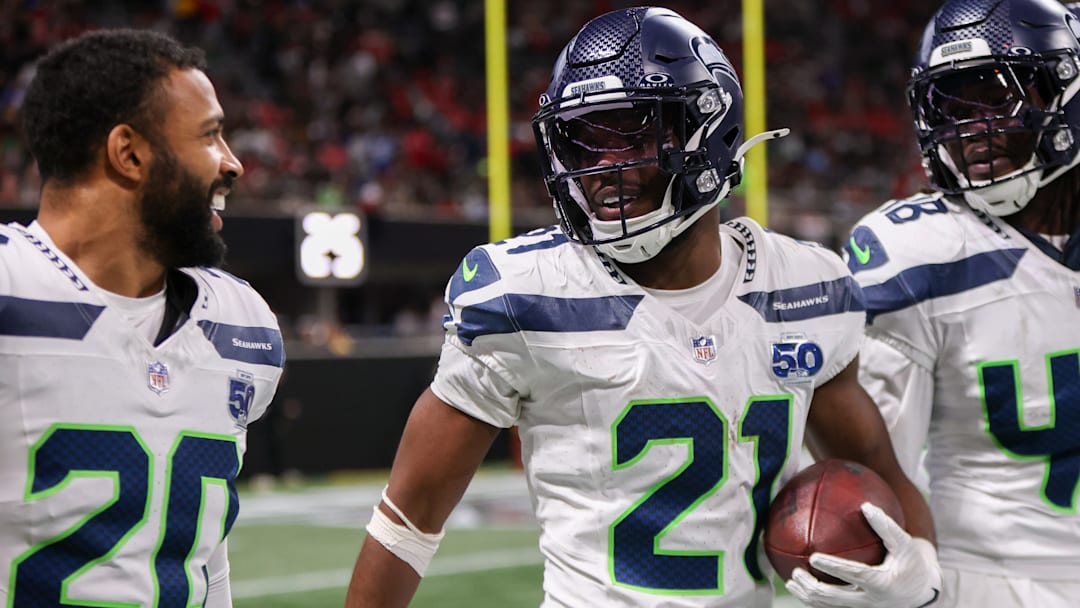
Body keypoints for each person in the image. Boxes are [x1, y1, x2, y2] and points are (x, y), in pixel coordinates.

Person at [346, 7, 941, 608]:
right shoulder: (526, 294)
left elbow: (877, 472)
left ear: (709, 132)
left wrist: (923, 579)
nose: (604, 168)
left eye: (631, 133)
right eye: (585, 142)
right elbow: (407, 519)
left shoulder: (807, 289)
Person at [0, 29, 284, 606]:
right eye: (210, 135)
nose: (233, 164)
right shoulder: (11, 289)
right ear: (128, 153)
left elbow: (205, 557)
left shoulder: (243, 323)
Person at [843, 0, 1080, 606]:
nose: (972, 126)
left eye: (996, 96)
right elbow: (873, 475)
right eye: (952, 104)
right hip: (987, 579)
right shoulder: (917, 251)